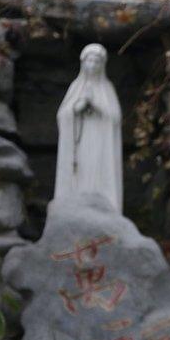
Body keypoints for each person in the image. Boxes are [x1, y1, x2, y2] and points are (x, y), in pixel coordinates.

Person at [54, 43, 123, 213]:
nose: (92, 65)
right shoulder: (75, 87)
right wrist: (79, 106)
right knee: (79, 175)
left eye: (96, 61)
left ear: (102, 65)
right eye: (89, 61)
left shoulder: (107, 89)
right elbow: (63, 116)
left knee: (97, 174)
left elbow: (115, 118)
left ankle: (104, 208)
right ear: (82, 63)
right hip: (80, 145)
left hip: (100, 144)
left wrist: (97, 105)